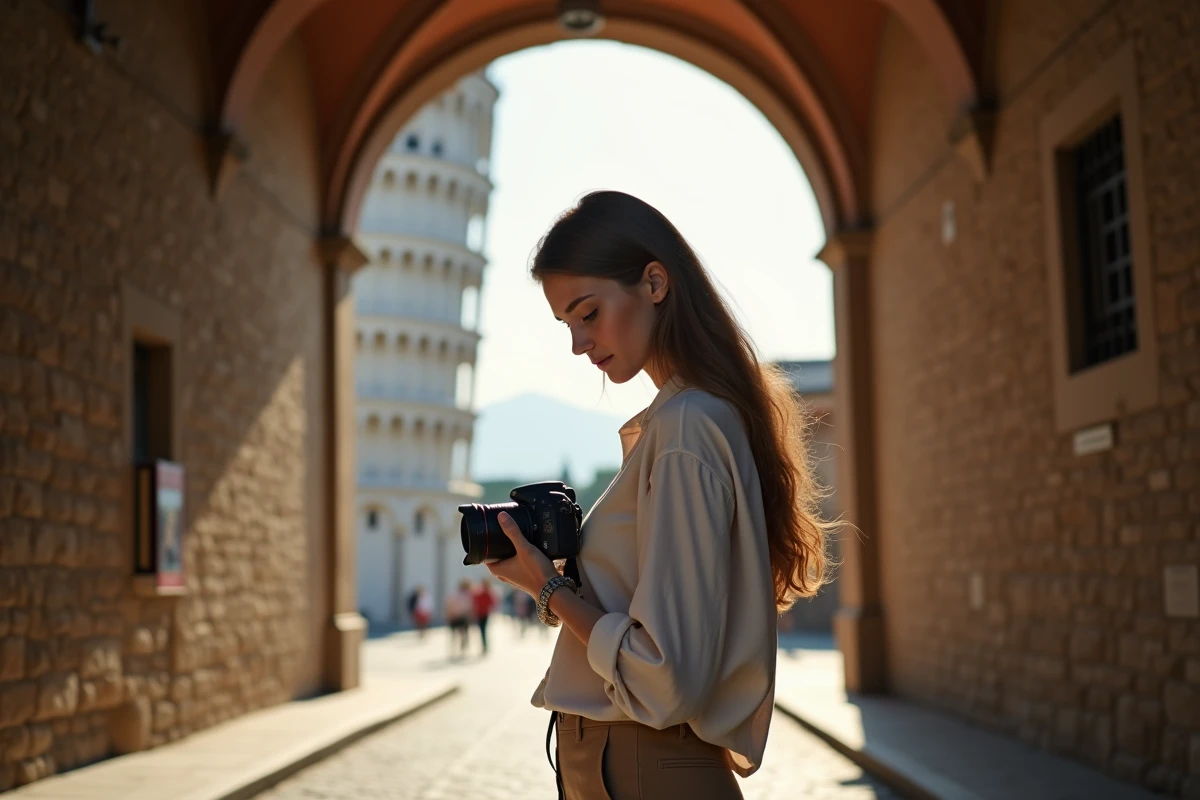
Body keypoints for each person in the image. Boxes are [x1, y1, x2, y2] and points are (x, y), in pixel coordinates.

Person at [486, 191, 832, 799]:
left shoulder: (686, 428)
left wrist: (549, 588)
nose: (578, 344)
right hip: (627, 766)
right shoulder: (686, 420)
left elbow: (663, 676)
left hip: (643, 769)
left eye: (588, 313)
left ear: (654, 282)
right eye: (567, 324)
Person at [444, 579, 473, 658]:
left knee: (464, 634)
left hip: (463, 616)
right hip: (455, 616)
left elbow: (470, 606)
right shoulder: (455, 593)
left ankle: (462, 648)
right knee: (454, 634)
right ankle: (454, 649)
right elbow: (449, 604)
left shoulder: (467, 594)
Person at [472, 578, 498, 654]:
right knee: (482, 630)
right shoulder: (481, 592)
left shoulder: (486, 592)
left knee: (483, 630)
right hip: (480, 613)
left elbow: (492, 602)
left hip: (484, 613)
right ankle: (484, 645)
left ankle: (484, 645)